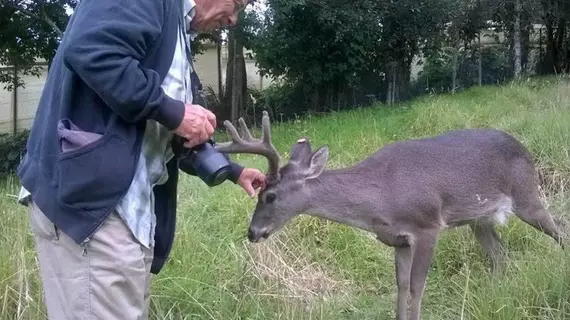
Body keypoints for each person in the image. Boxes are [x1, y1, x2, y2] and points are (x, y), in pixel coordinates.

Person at [15, 0, 264, 318]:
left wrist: (233, 171)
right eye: (237, 4)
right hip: (93, 211)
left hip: (129, 216)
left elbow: (165, 130)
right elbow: (93, 50)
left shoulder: (174, 28)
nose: (233, 19)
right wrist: (174, 112)